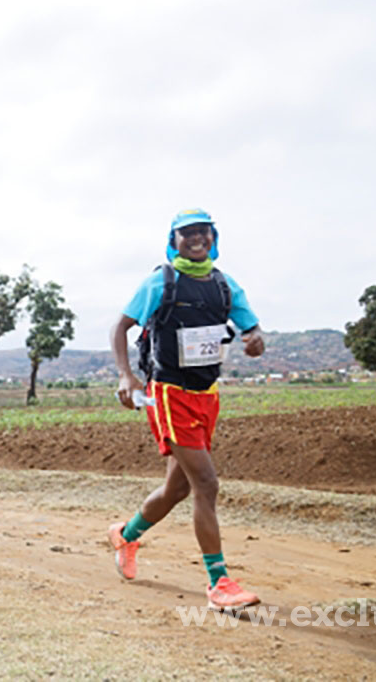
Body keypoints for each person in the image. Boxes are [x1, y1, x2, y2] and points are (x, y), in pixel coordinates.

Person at [108, 208, 266, 610]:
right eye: (187, 233)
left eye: (203, 233)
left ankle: (126, 534)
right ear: (173, 240)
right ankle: (219, 583)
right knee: (207, 484)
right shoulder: (160, 283)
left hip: (207, 395)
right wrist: (127, 377)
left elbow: (251, 328)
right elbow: (120, 327)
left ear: (213, 237)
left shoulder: (224, 285)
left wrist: (254, 341)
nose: (197, 239)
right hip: (168, 394)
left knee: (178, 488)